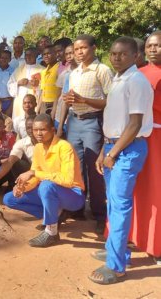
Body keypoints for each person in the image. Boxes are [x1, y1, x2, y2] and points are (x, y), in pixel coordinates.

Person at [88, 36, 153, 284]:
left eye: (122, 54)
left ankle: (116, 266)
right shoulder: (118, 79)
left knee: (121, 204)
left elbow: (135, 124)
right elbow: (116, 123)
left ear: (136, 56)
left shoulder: (137, 81)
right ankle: (117, 249)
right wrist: (106, 150)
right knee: (114, 203)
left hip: (128, 149)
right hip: (114, 146)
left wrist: (113, 154)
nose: (116, 58)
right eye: (113, 54)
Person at [3, 113, 85, 247]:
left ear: (53, 130)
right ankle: (55, 215)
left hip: (73, 195)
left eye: (43, 129)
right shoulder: (39, 148)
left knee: (46, 185)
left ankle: (51, 232)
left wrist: (34, 172)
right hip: (50, 191)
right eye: (35, 130)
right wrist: (23, 187)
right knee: (10, 199)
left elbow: (68, 180)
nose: (38, 133)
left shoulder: (64, 147)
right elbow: (35, 177)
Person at [65, 34, 113, 233]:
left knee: (95, 169)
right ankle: (76, 208)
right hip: (74, 121)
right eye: (76, 49)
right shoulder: (74, 73)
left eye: (83, 48)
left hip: (93, 121)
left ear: (94, 48)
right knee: (75, 167)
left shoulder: (102, 70)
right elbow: (70, 98)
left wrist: (84, 100)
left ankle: (100, 214)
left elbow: (110, 101)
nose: (79, 52)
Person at [130, 31, 161, 265]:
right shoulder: (137, 74)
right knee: (135, 190)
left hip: (158, 137)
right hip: (137, 136)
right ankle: (134, 237)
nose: (153, 49)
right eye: (150, 45)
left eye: (158, 45)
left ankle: (156, 245)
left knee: (155, 192)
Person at [0, 116, 37, 195]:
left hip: (45, 174)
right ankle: (15, 185)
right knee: (8, 199)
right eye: (28, 128)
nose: (31, 130)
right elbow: (10, 161)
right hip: (29, 172)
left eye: (34, 127)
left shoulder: (49, 143)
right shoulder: (22, 143)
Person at [8, 47, 44, 119]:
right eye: (26, 55)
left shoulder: (42, 70)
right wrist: (18, 83)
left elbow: (46, 87)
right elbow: (9, 84)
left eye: (31, 55)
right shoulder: (19, 69)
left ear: (36, 56)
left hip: (35, 101)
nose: (28, 57)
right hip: (20, 101)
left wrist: (38, 85)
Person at [55, 44, 78, 136]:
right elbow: (58, 96)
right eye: (67, 54)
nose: (69, 56)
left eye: (72, 53)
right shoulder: (64, 74)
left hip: (75, 118)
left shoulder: (84, 73)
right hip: (60, 116)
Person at [38, 45, 60, 115]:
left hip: (55, 104)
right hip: (44, 104)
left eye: (48, 53)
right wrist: (38, 108)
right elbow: (42, 91)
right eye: (44, 54)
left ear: (56, 54)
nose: (46, 56)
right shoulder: (43, 72)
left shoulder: (60, 69)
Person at [0, 50, 14, 115]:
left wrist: (11, 105)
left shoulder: (14, 71)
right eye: (2, 57)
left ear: (10, 59)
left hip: (8, 102)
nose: (3, 60)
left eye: (6, 58)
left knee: (6, 122)